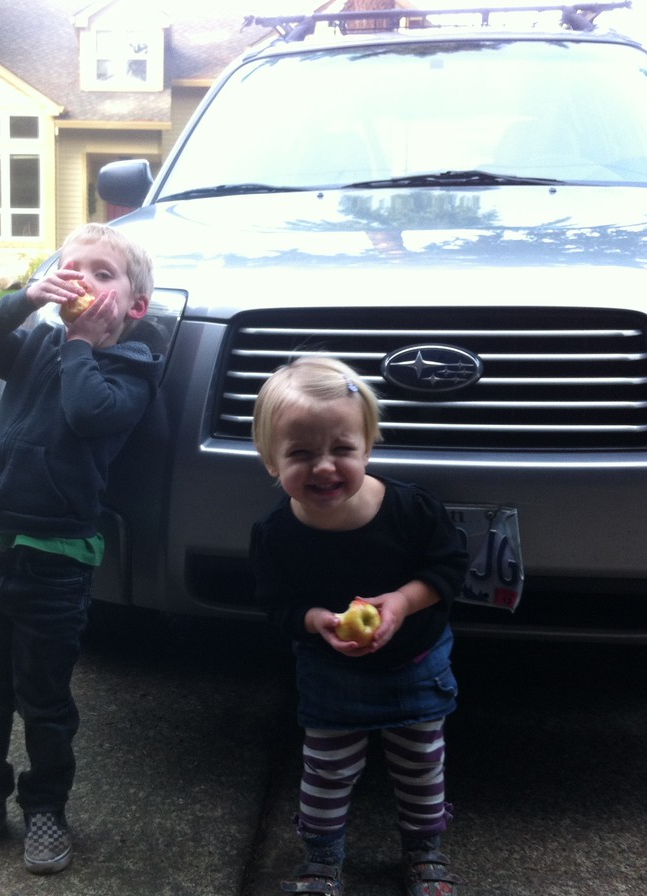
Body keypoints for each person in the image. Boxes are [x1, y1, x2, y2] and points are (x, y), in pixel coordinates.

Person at [0, 223, 162, 875]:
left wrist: (82, 342)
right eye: (71, 266)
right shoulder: (37, 344)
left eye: (102, 273)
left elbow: (89, 414)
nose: (81, 279)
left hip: (56, 564)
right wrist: (27, 299)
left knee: (44, 701)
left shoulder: (130, 369)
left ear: (135, 305)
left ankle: (46, 811)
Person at [248, 357, 468, 896]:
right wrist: (315, 620)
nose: (324, 467)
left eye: (341, 450)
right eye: (300, 453)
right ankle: (322, 859)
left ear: (368, 446)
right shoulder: (276, 534)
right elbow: (276, 603)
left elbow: (448, 570)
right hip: (330, 672)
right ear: (271, 461)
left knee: (420, 767)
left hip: (415, 665)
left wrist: (400, 602)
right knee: (326, 773)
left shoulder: (411, 510)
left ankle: (423, 852)